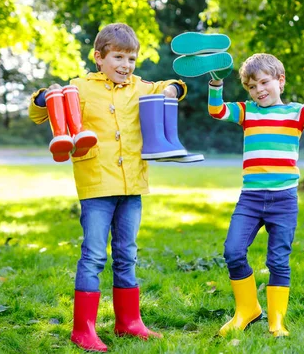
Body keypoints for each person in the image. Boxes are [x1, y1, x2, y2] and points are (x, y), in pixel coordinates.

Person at [28, 23, 187, 352]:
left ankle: (128, 322)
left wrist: (171, 89)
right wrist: (42, 98)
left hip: (133, 186)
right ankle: (83, 328)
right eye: (118, 57)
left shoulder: (139, 87)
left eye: (131, 58)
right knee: (94, 256)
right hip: (96, 185)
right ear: (99, 57)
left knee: (127, 255)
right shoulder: (81, 88)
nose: (125, 65)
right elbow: (39, 114)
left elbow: (170, 85)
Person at [207, 53, 304, 337]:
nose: (259, 91)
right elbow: (217, 111)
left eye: (264, 83)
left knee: (278, 260)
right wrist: (216, 83)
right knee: (233, 251)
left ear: (280, 81)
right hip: (251, 199)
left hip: (283, 200)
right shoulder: (247, 111)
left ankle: (276, 322)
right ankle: (248, 310)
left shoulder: (297, 112)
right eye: (252, 87)